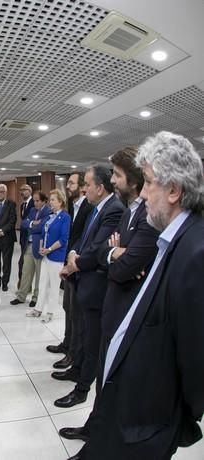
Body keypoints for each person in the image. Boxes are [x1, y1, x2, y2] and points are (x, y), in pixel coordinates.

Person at [73, 132, 204, 459]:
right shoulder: (171, 238)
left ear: (174, 190)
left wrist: (175, 417)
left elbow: (195, 357)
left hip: (149, 419)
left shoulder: (195, 251)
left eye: (148, 183)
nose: (142, 194)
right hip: (130, 405)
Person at [58, 146, 159, 450]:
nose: (114, 181)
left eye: (117, 175)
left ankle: (98, 438)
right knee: (104, 373)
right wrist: (114, 253)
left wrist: (115, 256)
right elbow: (108, 252)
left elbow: (124, 265)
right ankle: (95, 432)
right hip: (111, 299)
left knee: (109, 375)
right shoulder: (129, 210)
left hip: (121, 304)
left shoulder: (147, 215)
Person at [53, 166, 124, 408]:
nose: (84, 188)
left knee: (92, 340)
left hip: (96, 284)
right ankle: (77, 369)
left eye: (87, 184)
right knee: (82, 333)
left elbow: (97, 249)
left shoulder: (114, 210)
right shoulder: (96, 208)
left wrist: (74, 264)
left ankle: (82, 389)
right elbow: (84, 239)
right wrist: (73, 252)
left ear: (100, 188)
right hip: (84, 278)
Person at [47, 172, 94, 369]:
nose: (68, 186)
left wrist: (73, 259)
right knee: (67, 307)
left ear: (82, 186)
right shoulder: (74, 207)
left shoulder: (88, 207)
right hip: (70, 264)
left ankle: (73, 353)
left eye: (72, 183)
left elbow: (84, 238)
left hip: (79, 266)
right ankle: (67, 343)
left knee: (76, 313)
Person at [28, 189, 70, 322]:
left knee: (53, 286)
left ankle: (51, 312)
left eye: (53, 200)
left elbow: (63, 239)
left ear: (60, 201)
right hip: (45, 255)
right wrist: (41, 247)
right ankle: (38, 309)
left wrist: (49, 249)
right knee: (42, 283)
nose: (50, 202)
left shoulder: (65, 217)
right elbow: (42, 233)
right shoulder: (51, 216)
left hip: (56, 256)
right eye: (50, 199)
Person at [11, 191, 50, 307]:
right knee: (26, 272)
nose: (35, 203)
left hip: (39, 246)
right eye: (34, 200)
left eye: (38, 201)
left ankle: (36, 298)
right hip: (29, 245)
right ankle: (21, 296)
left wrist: (31, 225)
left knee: (39, 274)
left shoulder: (48, 211)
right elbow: (23, 223)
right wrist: (33, 223)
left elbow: (43, 227)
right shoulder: (32, 210)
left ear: (44, 201)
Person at [18, 184, 34, 281]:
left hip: (31, 238)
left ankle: (24, 284)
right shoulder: (22, 205)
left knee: (23, 262)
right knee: (23, 262)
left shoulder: (34, 203)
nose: (22, 192)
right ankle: (23, 283)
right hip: (23, 238)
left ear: (30, 191)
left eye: (24, 189)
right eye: (20, 190)